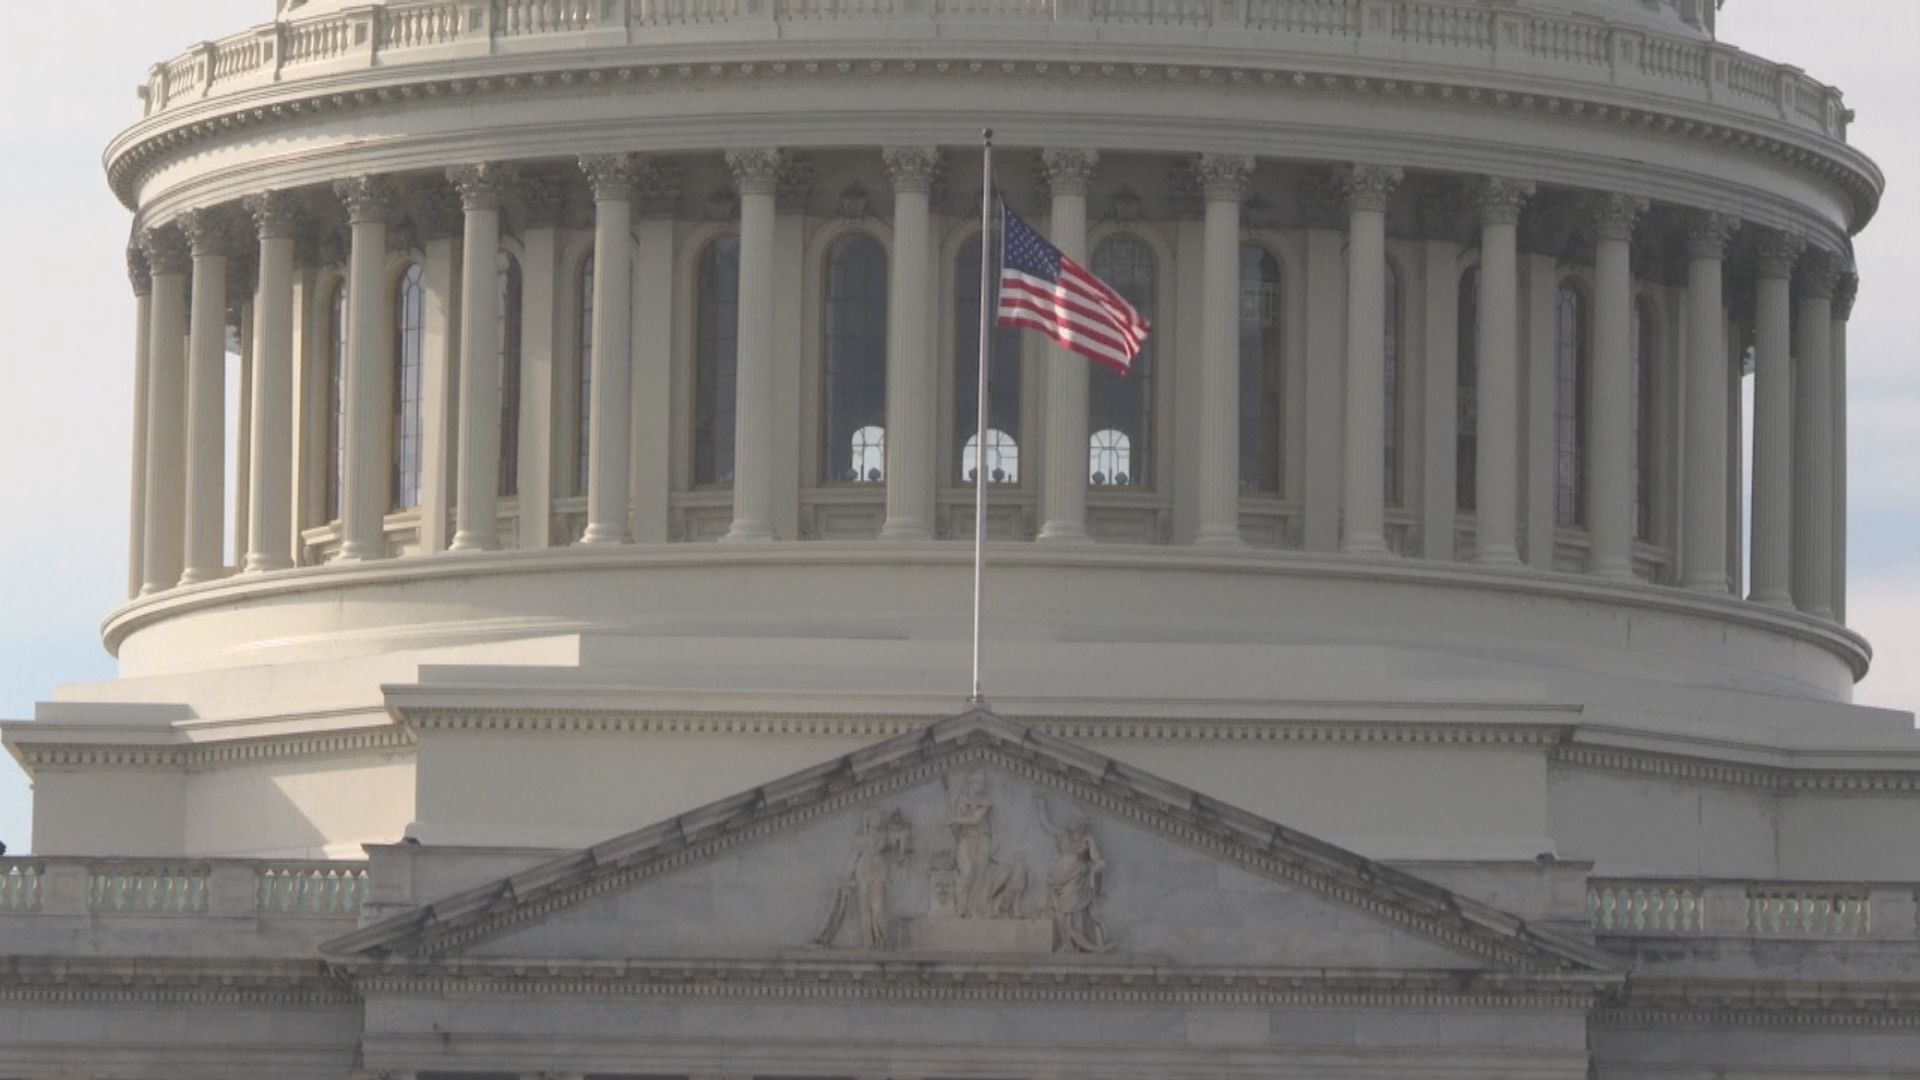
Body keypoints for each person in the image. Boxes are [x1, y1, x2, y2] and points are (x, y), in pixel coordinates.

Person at [1036, 795, 1110, 953]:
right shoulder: (1063, 834)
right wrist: (1041, 807)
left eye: (1079, 821)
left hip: (1076, 882)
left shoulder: (1087, 839)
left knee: (1074, 915)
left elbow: (1096, 858)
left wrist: (1096, 867)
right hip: (1056, 882)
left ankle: (1078, 946)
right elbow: (1047, 825)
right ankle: (1067, 944)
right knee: (1060, 915)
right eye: (1074, 820)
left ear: (1083, 824)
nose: (1075, 823)